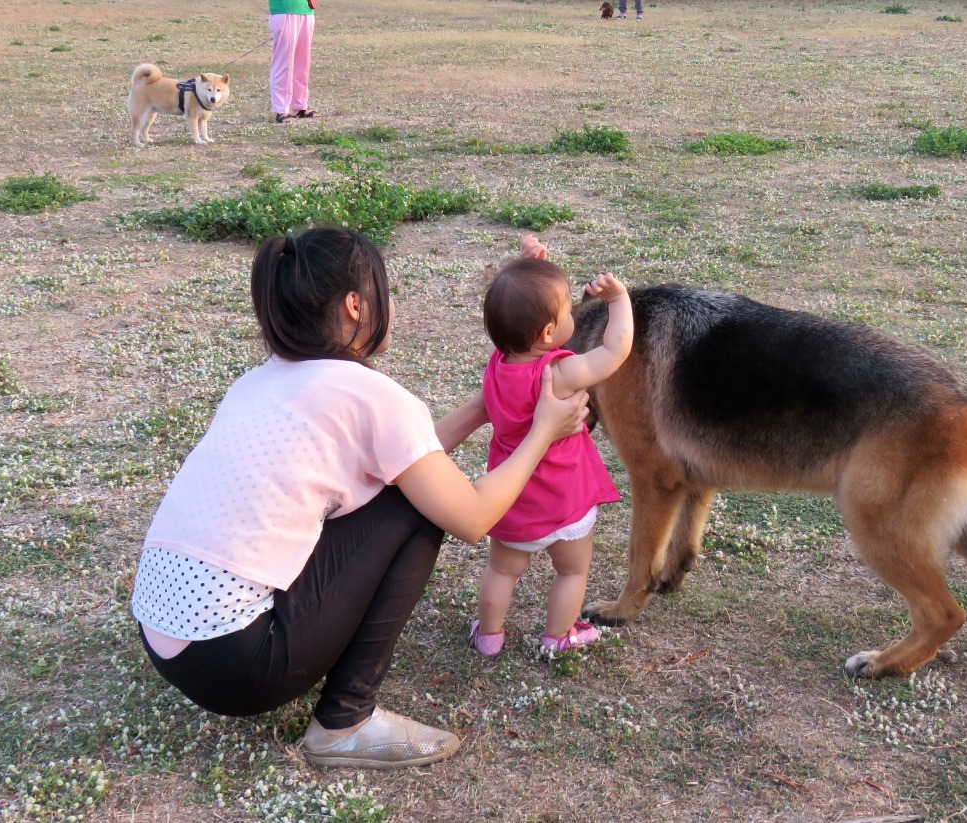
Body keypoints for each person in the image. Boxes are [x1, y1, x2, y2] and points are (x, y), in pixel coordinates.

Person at [131, 227, 589, 769]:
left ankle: (333, 705)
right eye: (384, 291)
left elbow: (409, 456)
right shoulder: (372, 396)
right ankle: (345, 722)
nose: (391, 305)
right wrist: (542, 431)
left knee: (400, 488)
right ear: (355, 305)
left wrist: (488, 404)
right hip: (237, 665)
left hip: (167, 638)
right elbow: (472, 516)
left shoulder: (259, 382)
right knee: (413, 506)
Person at [469, 236, 632, 656]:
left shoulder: (498, 364)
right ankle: (557, 637)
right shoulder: (558, 374)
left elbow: (519, 315)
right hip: (564, 497)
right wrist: (619, 300)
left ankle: (488, 635)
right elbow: (614, 351)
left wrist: (531, 267)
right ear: (547, 333)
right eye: (564, 313)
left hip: (513, 499)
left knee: (502, 571)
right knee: (571, 572)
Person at [268, 0, 319, 123]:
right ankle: (281, 110)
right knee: (283, 62)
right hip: (285, 9)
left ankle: (299, 106)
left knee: (303, 64)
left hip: (306, 9)